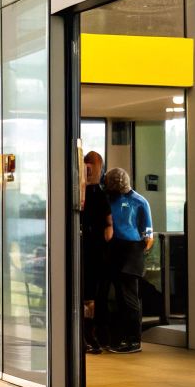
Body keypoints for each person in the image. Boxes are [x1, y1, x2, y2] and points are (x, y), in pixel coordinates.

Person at [101, 167, 154, 354]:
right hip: (114, 248)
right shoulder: (108, 199)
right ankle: (119, 337)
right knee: (117, 299)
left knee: (129, 298)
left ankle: (133, 340)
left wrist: (140, 251)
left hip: (131, 250)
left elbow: (148, 234)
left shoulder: (139, 201)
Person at [79, 151, 111, 354]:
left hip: (91, 250)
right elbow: (109, 226)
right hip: (95, 250)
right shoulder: (99, 195)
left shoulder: (94, 195)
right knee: (90, 295)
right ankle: (89, 335)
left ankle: (88, 335)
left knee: (89, 295)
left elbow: (109, 225)